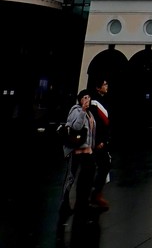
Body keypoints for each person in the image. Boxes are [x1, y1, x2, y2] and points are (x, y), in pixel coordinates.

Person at [57, 90, 96, 228]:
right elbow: (76, 127)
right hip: (77, 150)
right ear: (80, 99)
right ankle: (64, 202)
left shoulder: (90, 113)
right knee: (71, 177)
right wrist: (82, 111)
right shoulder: (76, 110)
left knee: (88, 176)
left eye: (89, 97)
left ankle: (83, 202)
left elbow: (91, 133)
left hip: (87, 151)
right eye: (85, 97)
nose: (88, 100)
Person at [87, 77, 111, 211]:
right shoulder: (94, 102)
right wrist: (99, 140)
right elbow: (95, 123)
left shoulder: (103, 100)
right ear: (98, 87)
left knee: (104, 165)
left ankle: (96, 193)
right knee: (101, 166)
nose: (106, 86)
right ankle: (94, 194)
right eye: (104, 84)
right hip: (96, 141)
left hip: (103, 140)